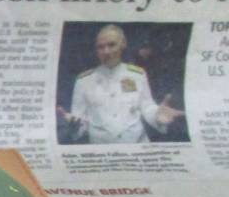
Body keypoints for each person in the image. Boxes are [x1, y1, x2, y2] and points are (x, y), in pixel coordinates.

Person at [57, 25, 185, 144]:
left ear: (123, 44)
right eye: (100, 47)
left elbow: (147, 107)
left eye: (111, 45)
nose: (106, 51)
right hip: (102, 150)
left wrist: (157, 115)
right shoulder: (84, 81)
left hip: (137, 144)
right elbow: (80, 121)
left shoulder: (137, 75)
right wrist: (74, 126)